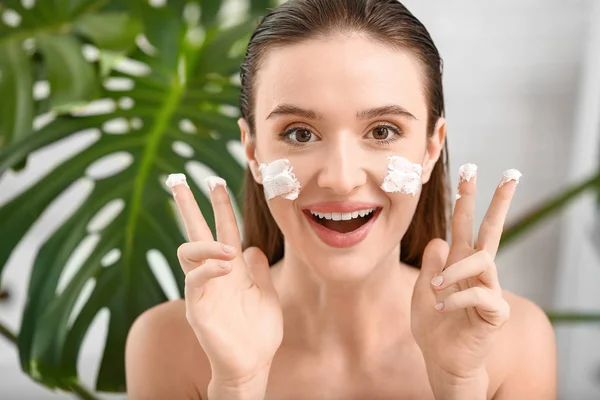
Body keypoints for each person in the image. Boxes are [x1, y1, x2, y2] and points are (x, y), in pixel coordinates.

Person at [125, 0, 557, 398]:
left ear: (430, 149)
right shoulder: (170, 344)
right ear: (254, 152)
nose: (341, 180)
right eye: (299, 133)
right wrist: (238, 384)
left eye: (382, 131)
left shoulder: (514, 341)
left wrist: (459, 384)